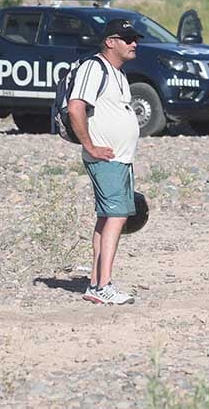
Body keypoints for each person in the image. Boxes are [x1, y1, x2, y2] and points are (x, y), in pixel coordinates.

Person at [68, 18, 143, 306]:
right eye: (127, 39)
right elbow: (76, 107)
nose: (133, 43)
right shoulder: (93, 67)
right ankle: (104, 285)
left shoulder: (119, 73)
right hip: (107, 159)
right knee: (117, 217)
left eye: (135, 38)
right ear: (110, 42)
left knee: (107, 218)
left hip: (121, 159)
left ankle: (95, 284)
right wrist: (90, 146)